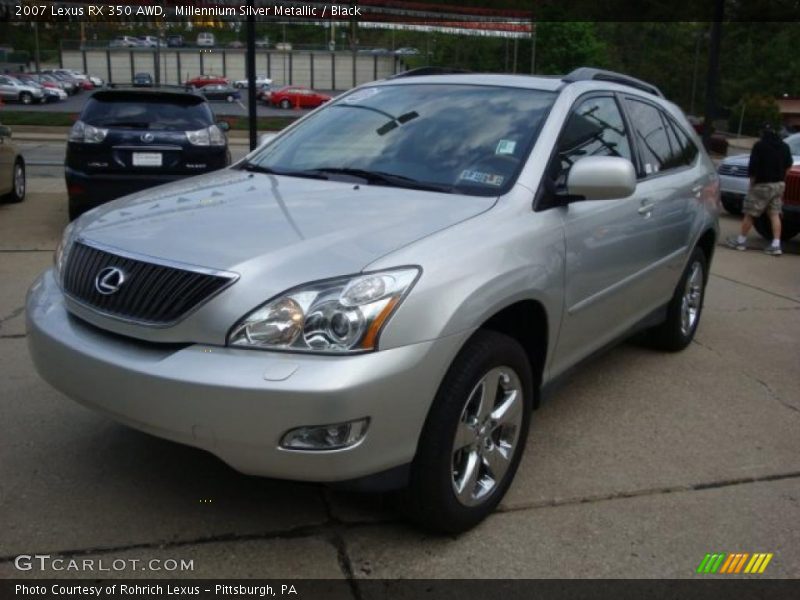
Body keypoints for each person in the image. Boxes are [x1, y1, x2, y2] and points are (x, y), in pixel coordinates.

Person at [726, 124, 793, 256]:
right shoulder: (784, 146)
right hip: (778, 185)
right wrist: (781, 180)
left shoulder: (759, 146)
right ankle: (776, 245)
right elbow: (788, 165)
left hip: (762, 184)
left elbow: (753, 168)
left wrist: (752, 185)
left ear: (763, 133)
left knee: (750, 213)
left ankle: (741, 241)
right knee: (774, 214)